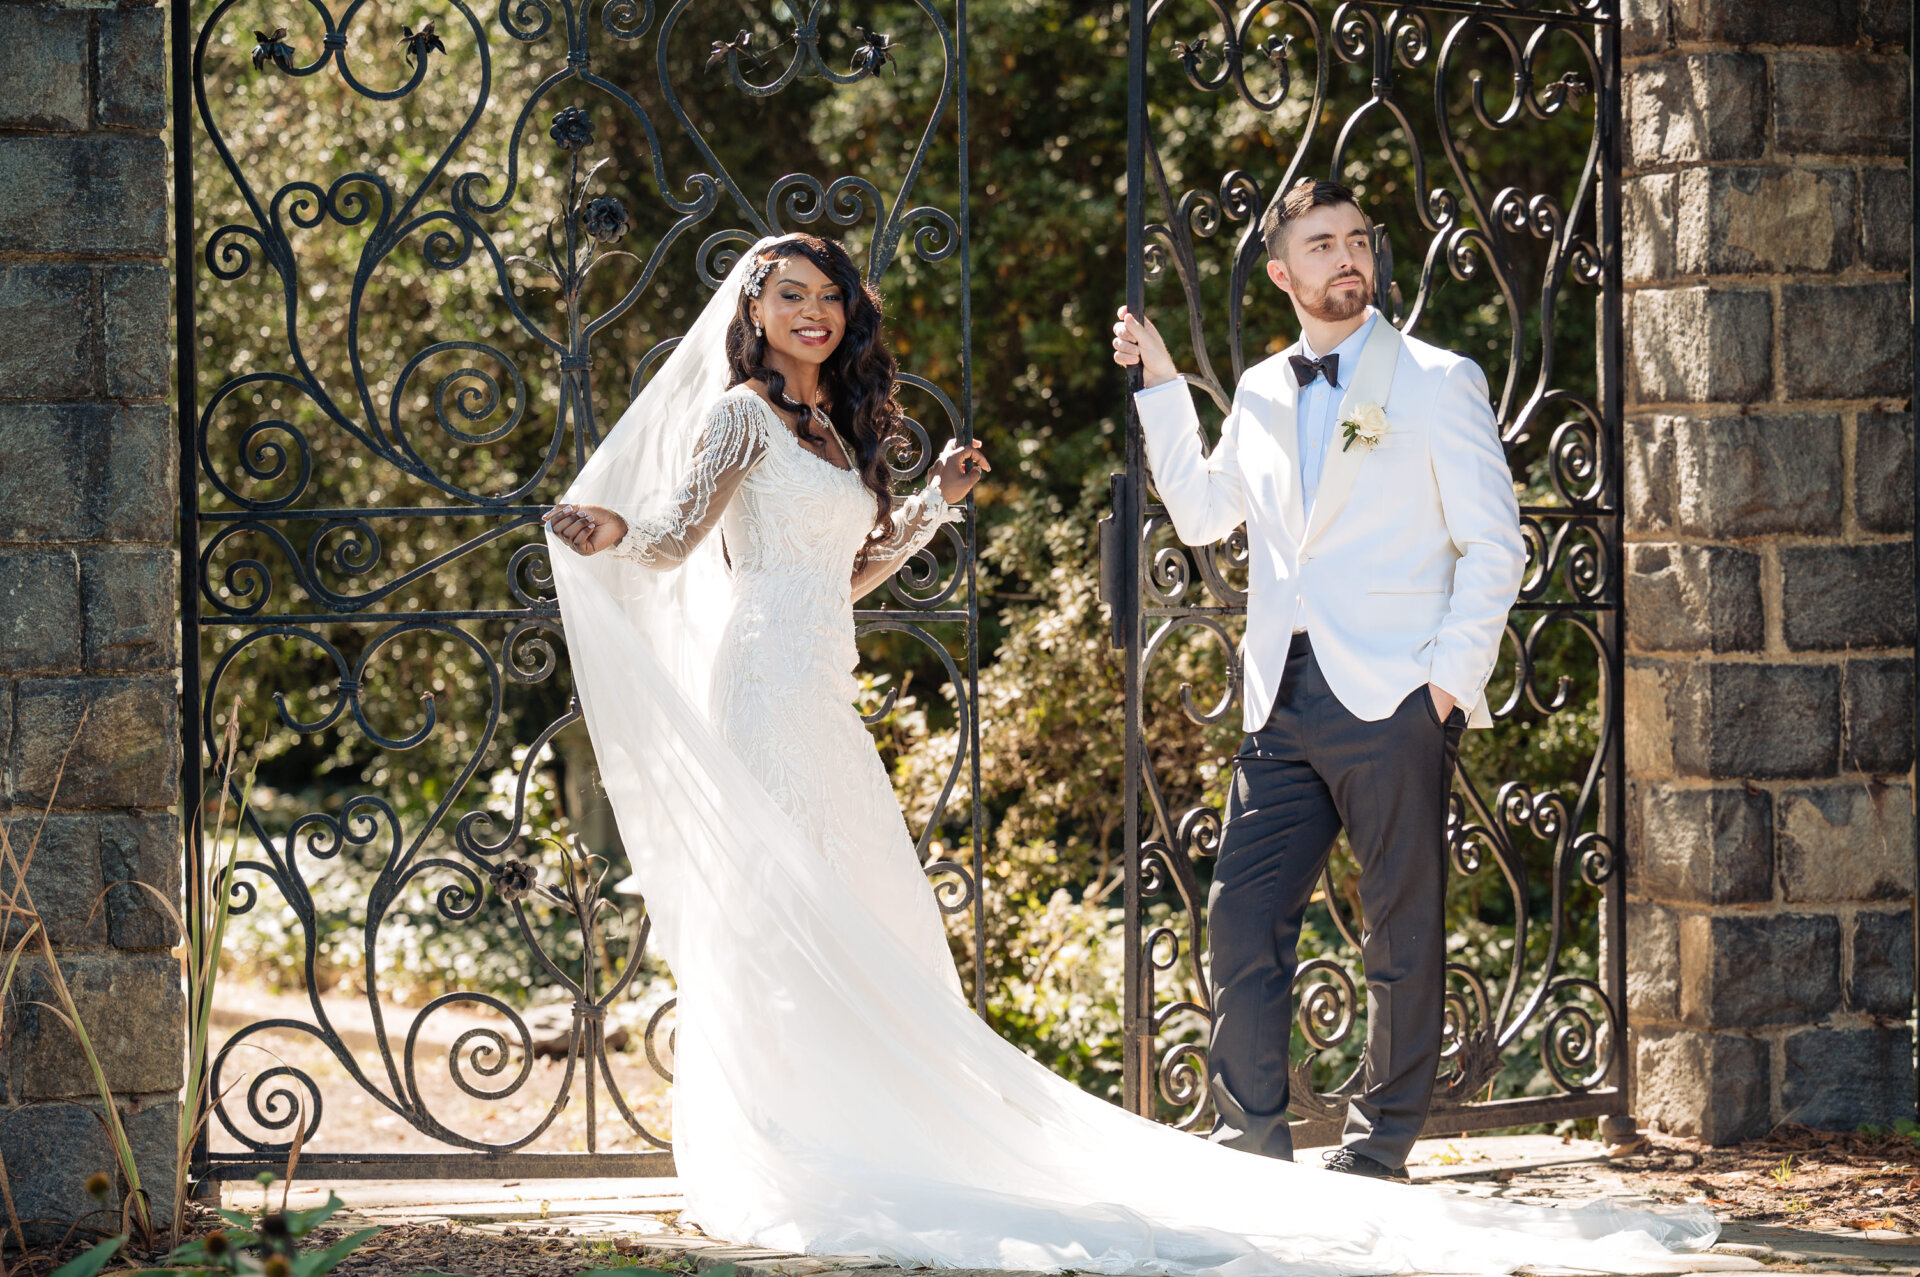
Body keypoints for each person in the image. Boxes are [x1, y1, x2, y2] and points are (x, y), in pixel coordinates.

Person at [543, 232, 1741, 1275]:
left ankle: (860, 1120)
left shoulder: (838, 425)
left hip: (821, 685)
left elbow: (843, 573)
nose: (814, 311)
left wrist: (938, 505)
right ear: (753, 313)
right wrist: (607, 528)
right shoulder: (738, 415)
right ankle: (784, 1138)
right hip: (757, 685)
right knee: (780, 908)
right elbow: (669, 543)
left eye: (830, 297)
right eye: (790, 295)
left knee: (868, 906)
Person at [1112, 175, 1522, 1184]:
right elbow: (1208, 514)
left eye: (1356, 239)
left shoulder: (1435, 377)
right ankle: (1248, 1141)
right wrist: (1165, 385)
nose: (1346, 255)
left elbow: (1495, 544)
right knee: (1242, 915)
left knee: (1398, 926)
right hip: (1280, 697)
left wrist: (1446, 683)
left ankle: (1377, 1147)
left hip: (1393, 695)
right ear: (1283, 271)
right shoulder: (1257, 388)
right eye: (1322, 242)